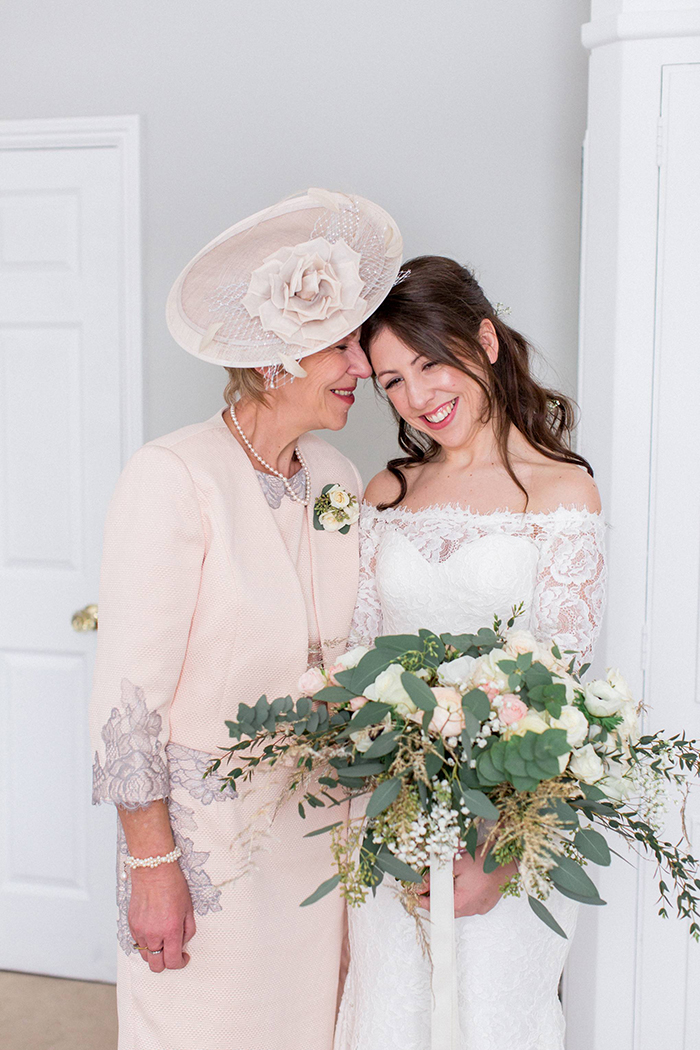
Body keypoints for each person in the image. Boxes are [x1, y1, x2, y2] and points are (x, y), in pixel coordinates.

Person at [89, 189, 403, 1050]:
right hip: (209, 850)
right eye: (342, 347)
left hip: (321, 837)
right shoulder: (172, 475)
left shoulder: (336, 475)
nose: (363, 367)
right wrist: (153, 865)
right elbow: (129, 703)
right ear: (275, 361)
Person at [334, 256, 607, 1050]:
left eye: (430, 362)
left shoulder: (561, 492)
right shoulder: (387, 491)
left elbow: (563, 696)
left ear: (484, 341)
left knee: (491, 1018)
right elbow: (355, 661)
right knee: (390, 1014)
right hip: (389, 813)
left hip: (507, 826)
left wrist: (499, 856)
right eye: (392, 381)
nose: (418, 397)